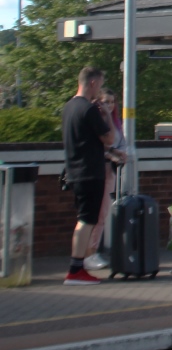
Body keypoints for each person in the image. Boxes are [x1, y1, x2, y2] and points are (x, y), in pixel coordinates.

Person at [60, 66, 116, 285]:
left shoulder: (69, 107)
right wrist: (107, 116)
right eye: (100, 84)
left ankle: (77, 267)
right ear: (93, 83)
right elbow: (109, 138)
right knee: (87, 221)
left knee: (83, 220)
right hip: (90, 172)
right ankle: (75, 270)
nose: (100, 89)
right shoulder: (90, 110)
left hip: (74, 171)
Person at [83, 89, 128, 271]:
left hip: (110, 171)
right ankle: (89, 253)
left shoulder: (116, 123)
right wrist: (113, 153)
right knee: (96, 214)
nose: (109, 106)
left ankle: (92, 251)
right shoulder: (97, 122)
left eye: (112, 102)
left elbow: (120, 143)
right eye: (105, 102)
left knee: (102, 213)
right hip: (98, 169)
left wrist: (121, 154)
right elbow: (103, 145)